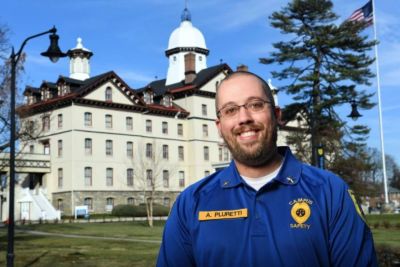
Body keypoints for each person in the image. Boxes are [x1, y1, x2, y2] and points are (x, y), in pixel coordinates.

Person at [156, 71, 377, 267]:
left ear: (277, 115)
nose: (244, 118)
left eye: (255, 104)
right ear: (219, 127)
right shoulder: (191, 202)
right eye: (231, 110)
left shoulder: (330, 192)